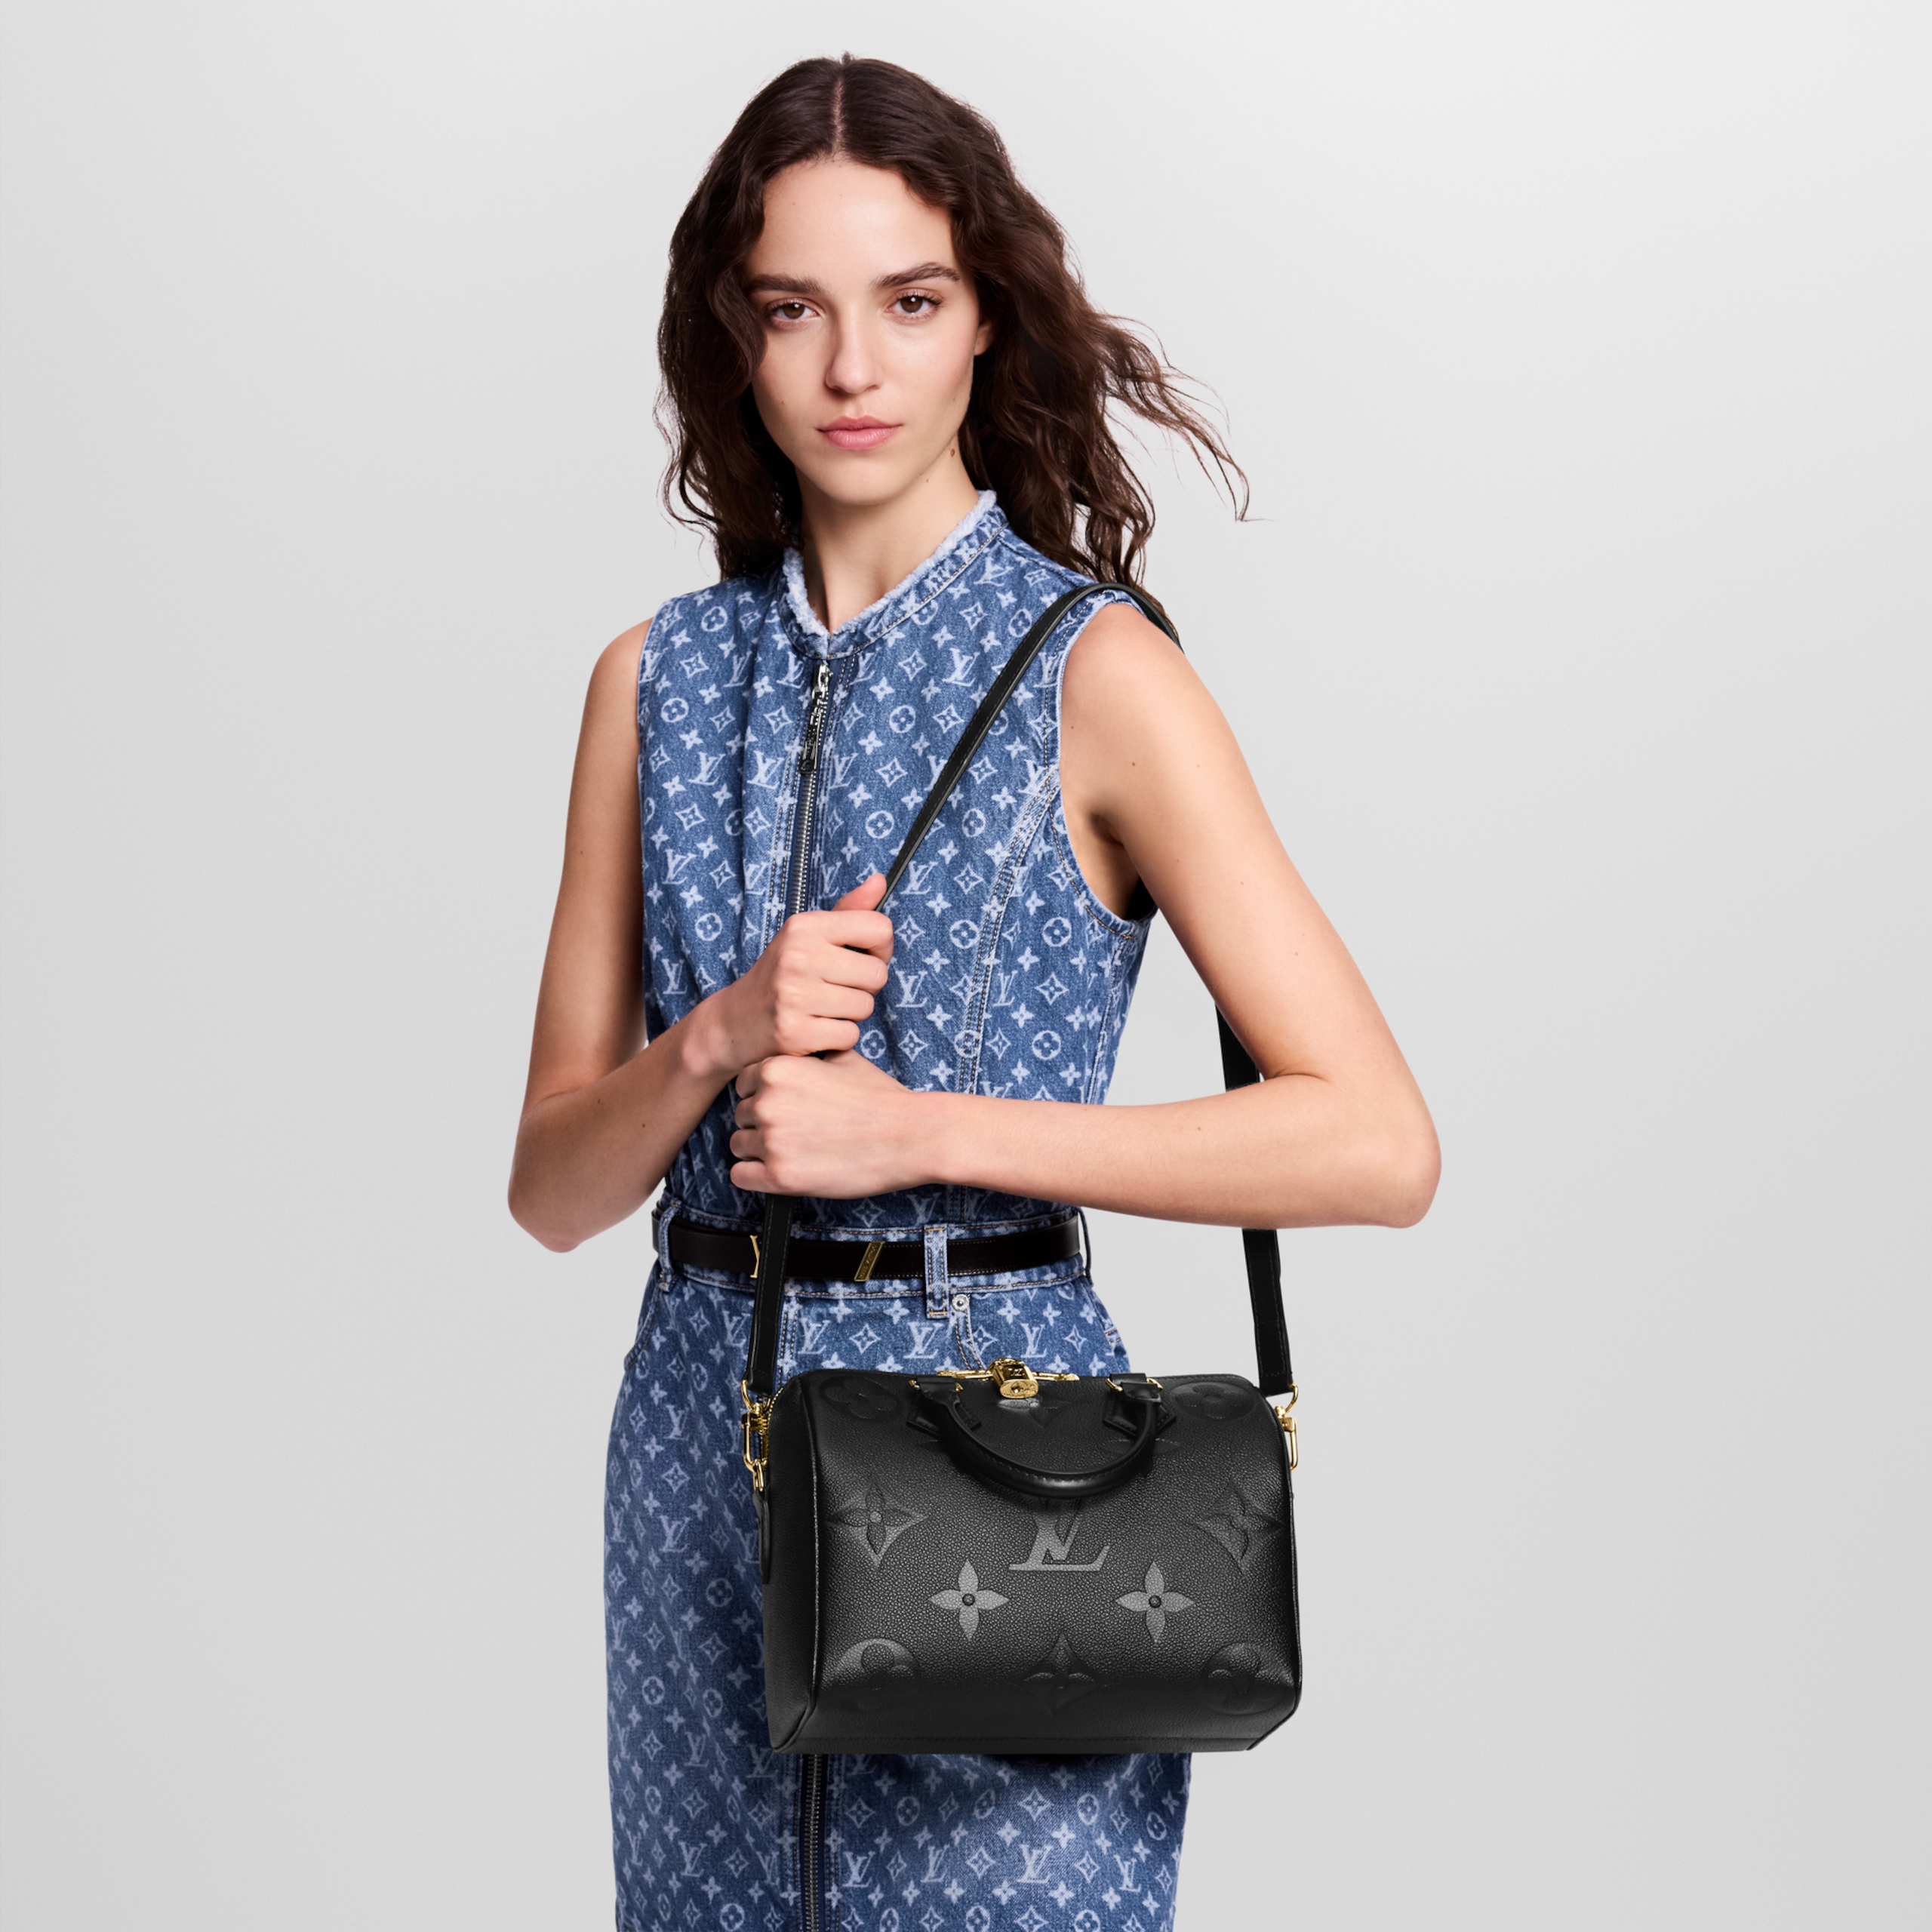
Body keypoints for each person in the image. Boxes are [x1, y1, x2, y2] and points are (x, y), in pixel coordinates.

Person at [509, 54, 1438, 1932]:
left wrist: (915, 1129)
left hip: (1013, 1474)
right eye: (794, 309)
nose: (853, 368)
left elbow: (1373, 1140)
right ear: (732, 337)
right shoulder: (650, 680)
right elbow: (550, 1188)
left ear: (984, 316)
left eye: (910, 301)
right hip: (697, 1451)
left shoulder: (1099, 675)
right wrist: (718, 1035)